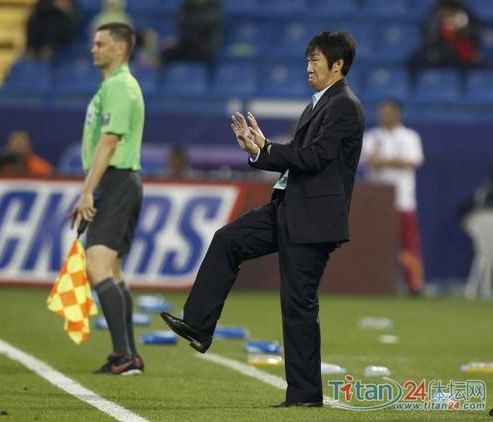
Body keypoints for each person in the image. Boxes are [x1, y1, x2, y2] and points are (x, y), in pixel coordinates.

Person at [161, 31, 364, 407]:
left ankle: (305, 396)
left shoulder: (344, 105)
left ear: (338, 64)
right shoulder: (320, 104)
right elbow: (299, 158)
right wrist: (259, 151)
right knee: (228, 239)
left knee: (298, 304)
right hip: (289, 207)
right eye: (307, 60)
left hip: (313, 218)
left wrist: (267, 148)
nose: (308, 67)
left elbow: (314, 158)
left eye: (315, 60)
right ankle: (199, 326)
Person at [71, 22, 145, 375]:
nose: (93, 49)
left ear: (120, 48)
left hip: (116, 180)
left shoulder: (119, 87)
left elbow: (109, 141)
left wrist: (88, 190)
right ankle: (128, 355)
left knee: (97, 264)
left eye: (100, 43)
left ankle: (124, 355)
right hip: (121, 182)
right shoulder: (116, 85)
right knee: (112, 270)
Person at [360, 99, 424, 295]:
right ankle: (375, 282)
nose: (386, 117)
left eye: (389, 113)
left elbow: (411, 162)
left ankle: (413, 284)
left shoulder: (409, 137)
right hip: (377, 202)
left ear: (398, 114)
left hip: (403, 201)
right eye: (383, 113)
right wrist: (390, 162)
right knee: (375, 243)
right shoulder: (371, 137)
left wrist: (384, 162)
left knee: (408, 244)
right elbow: (366, 162)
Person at [408, 0, 481, 76]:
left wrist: (461, 32)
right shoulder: (434, 14)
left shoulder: (466, 15)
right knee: (414, 60)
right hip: (439, 51)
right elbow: (428, 36)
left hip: (460, 53)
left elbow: (474, 37)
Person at [161, 0, 223, 64]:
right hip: (188, 42)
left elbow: (211, 26)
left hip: (206, 44)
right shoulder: (186, 5)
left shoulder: (213, 5)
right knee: (167, 51)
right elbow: (180, 23)